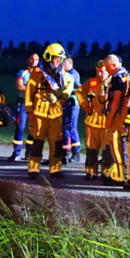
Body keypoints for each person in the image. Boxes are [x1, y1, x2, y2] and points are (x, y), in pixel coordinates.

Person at [24, 43, 74, 179]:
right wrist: (29, 111)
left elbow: (68, 86)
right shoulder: (38, 72)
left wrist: (64, 96)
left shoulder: (62, 73)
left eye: (60, 58)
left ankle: (55, 169)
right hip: (39, 111)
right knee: (38, 141)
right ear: (49, 57)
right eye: (56, 58)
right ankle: (33, 169)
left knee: (57, 142)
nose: (58, 61)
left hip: (56, 112)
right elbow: (29, 92)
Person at [100, 54, 130, 185]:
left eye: (108, 67)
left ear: (114, 65)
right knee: (117, 145)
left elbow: (117, 100)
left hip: (117, 115)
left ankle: (118, 177)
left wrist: (110, 117)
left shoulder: (118, 78)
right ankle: (118, 173)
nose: (107, 70)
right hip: (122, 115)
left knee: (116, 146)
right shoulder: (125, 75)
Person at [77, 60, 108, 180]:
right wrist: (84, 104)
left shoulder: (113, 83)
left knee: (107, 150)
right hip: (92, 121)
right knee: (91, 148)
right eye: (98, 72)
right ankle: (90, 171)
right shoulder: (92, 82)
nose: (100, 75)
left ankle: (106, 172)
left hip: (107, 122)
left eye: (102, 72)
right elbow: (79, 92)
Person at [8, 53, 39, 161]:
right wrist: (33, 89)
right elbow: (19, 86)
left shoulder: (40, 74)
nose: (34, 61)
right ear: (28, 60)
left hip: (35, 105)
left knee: (33, 129)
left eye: (36, 59)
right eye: (32, 58)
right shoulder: (22, 72)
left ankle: (29, 153)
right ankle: (16, 153)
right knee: (20, 128)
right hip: (23, 103)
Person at [61, 56, 82, 163]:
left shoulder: (73, 75)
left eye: (64, 64)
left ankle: (76, 152)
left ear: (70, 63)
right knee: (66, 127)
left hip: (73, 103)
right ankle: (65, 152)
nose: (62, 66)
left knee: (71, 127)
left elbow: (79, 88)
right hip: (67, 103)